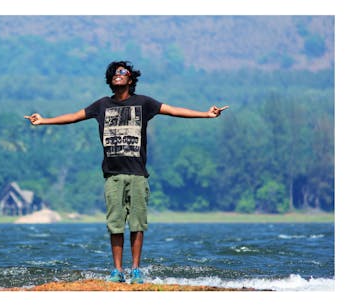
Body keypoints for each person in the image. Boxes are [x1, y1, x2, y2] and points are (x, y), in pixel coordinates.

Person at [24, 60, 228, 284]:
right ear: (111, 80)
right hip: (113, 175)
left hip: (138, 175)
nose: (118, 75)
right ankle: (117, 271)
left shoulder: (144, 103)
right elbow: (73, 116)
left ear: (131, 80)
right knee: (115, 224)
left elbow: (173, 110)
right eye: (114, 73)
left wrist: (206, 114)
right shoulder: (102, 105)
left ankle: (136, 270)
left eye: (123, 72)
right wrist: (43, 121)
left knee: (138, 224)